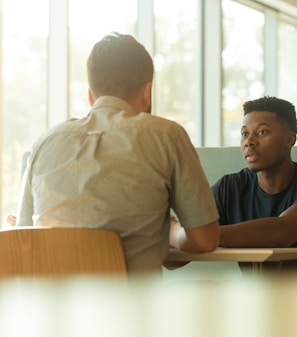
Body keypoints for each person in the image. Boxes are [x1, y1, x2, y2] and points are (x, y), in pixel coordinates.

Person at [16, 32, 219, 273]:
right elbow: (204, 240)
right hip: (131, 307)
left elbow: (23, 237)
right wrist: (172, 232)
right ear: (147, 92)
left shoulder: (44, 143)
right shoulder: (167, 136)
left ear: (91, 96)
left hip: (49, 307)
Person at [212, 96, 297, 271]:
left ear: (289, 140)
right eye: (244, 134)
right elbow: (174, 261)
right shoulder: (229, 188)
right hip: (257, 296)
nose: (249, 142)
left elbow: (282, 232)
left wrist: (197, 236)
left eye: (262, 132)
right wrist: (176, 235)